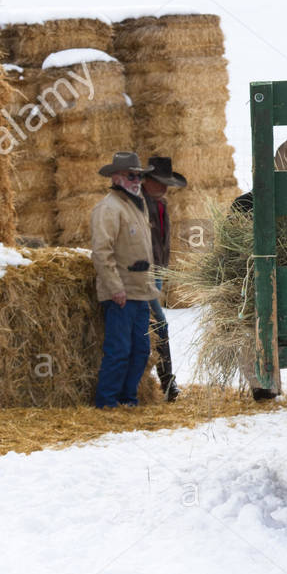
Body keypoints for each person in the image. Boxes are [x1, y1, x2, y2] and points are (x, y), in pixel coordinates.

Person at [232, 137, 287, 399]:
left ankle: (281, 383)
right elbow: (234, 253)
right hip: (264, 284)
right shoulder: (247, 205)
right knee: (253, 316)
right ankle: (265, 385)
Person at [90, 152, 160, 408]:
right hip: (121, 293)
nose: (137, 180)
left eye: (140, 175)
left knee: (141, 350)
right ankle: (107, 402)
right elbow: (102, 251)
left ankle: (127, 399)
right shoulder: (108, 208)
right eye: (132, 175)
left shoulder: (135, 204)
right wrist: (115, 287)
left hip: (141, 291)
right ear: (116, 177)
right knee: (118, 351)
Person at [142, 156, 187, 402]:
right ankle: (167, 382)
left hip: (156, 272)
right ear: (147, 180)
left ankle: (163, 381)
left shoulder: (160, 204)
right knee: (158, 323)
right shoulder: (138, 204)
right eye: (160, 182)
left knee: (154, 324)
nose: (165, 187)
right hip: (142, 274)